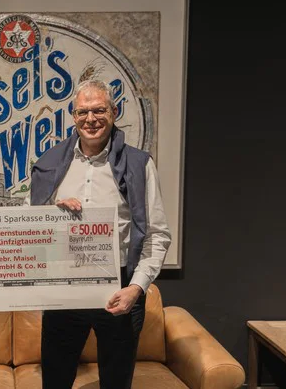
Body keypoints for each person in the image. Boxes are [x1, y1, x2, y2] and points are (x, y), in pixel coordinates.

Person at [28, 80, 171, 389]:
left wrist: (136, 289)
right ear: (73, 116)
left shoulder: (140, 164)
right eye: (83, 112)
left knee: (116, 382)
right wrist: (52, 211)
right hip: (64, 290)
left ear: (114, 112)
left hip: (119, 288)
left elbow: (157, 234)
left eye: (99, 110)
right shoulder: (49, 163)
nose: (90, 119)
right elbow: (30, 226)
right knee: (55, 380)